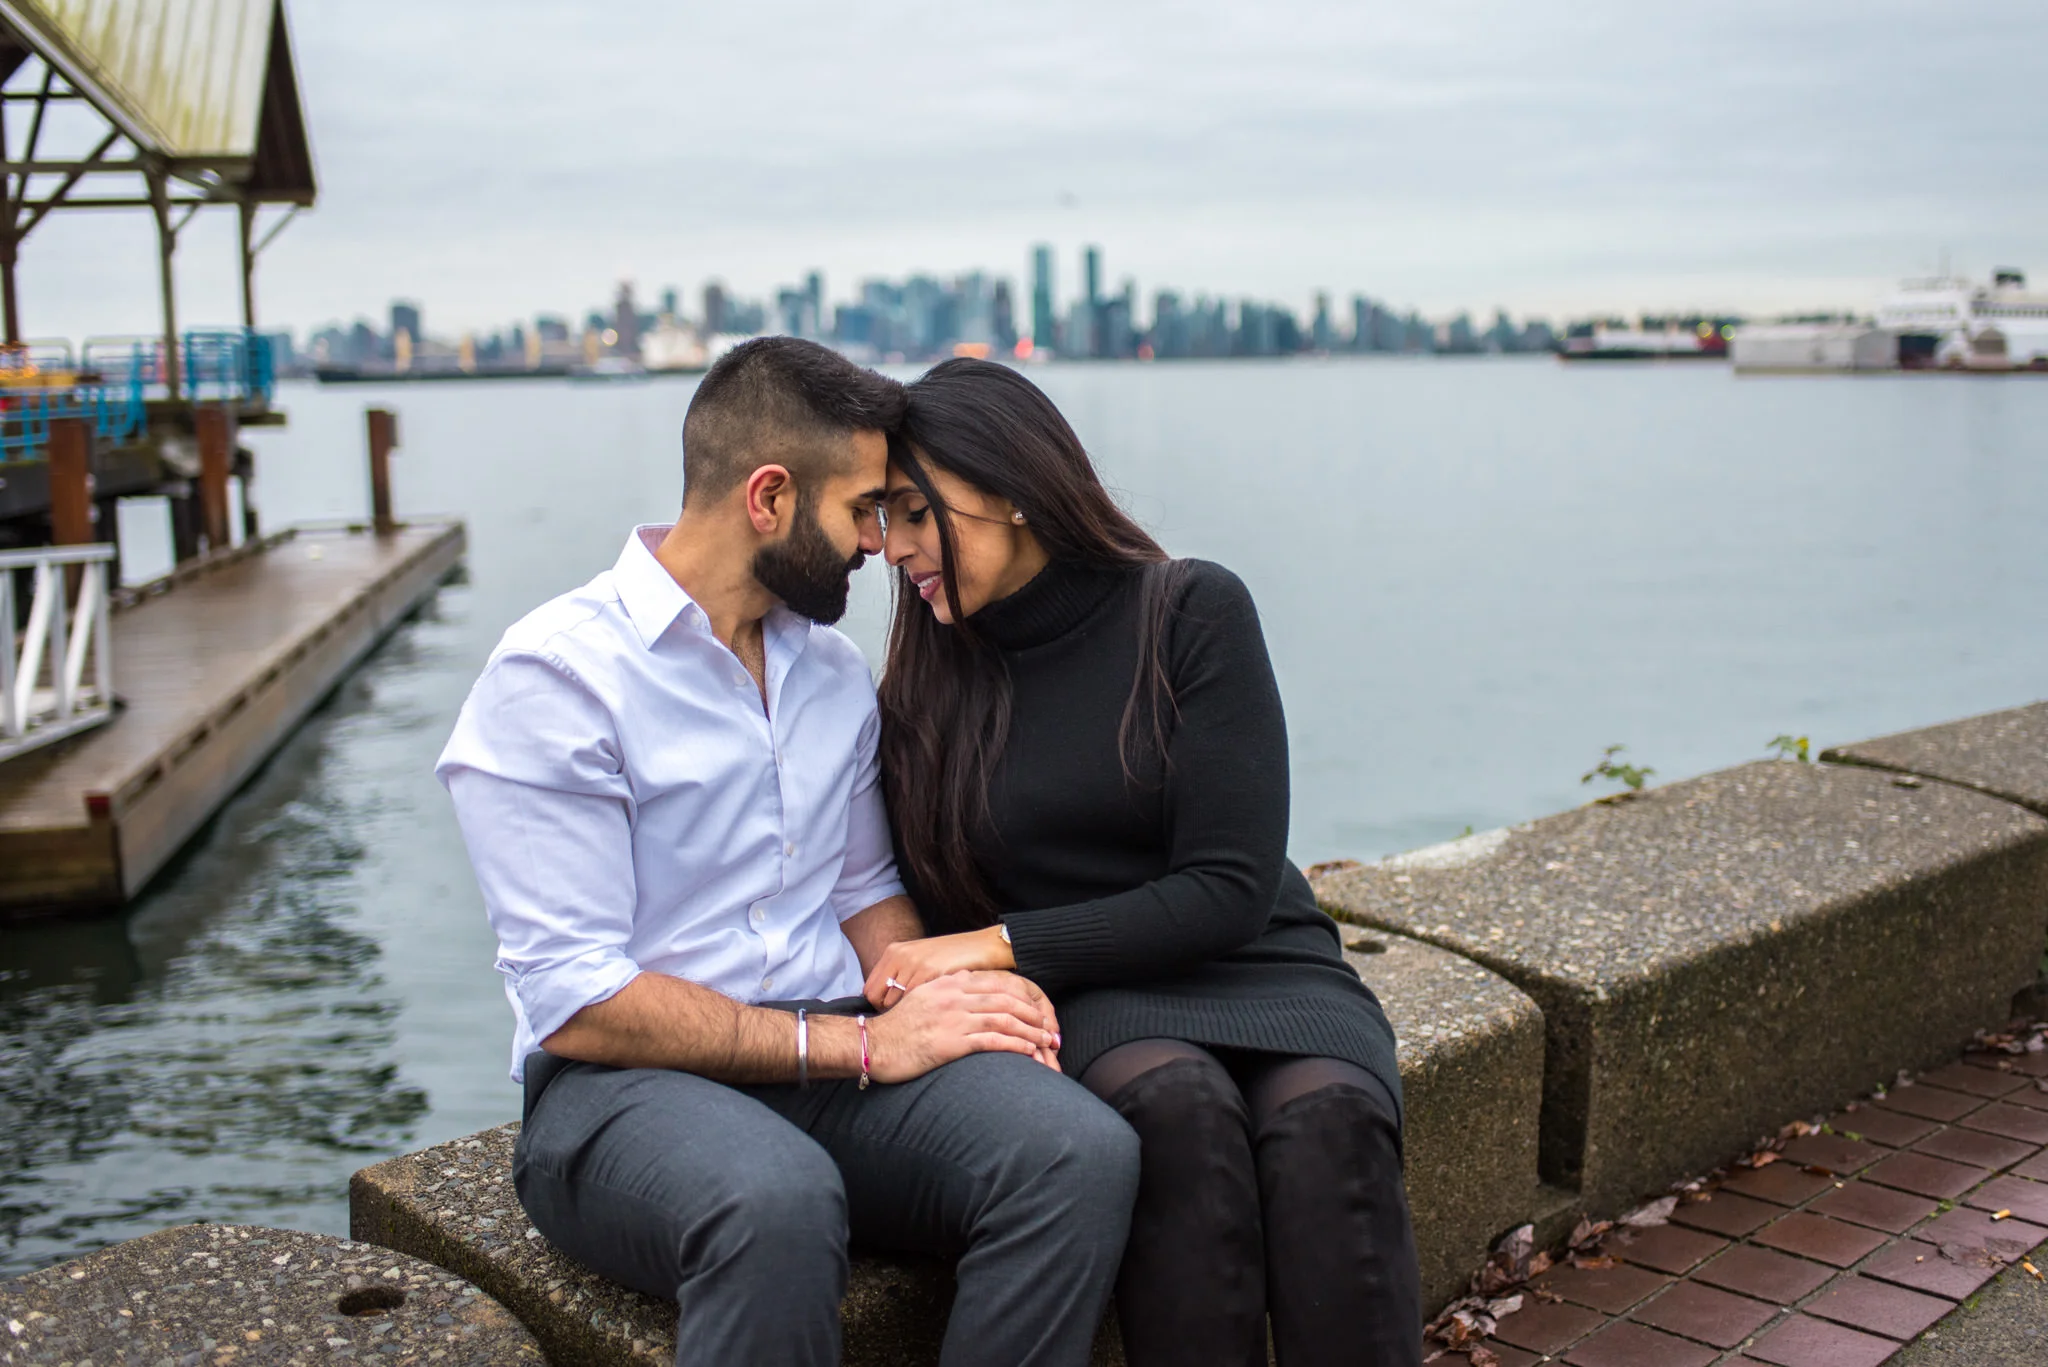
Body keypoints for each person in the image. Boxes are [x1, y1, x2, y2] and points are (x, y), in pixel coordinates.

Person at [435, 338, 1139, 1367]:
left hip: (832, 1046)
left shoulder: (829, 673)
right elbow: (578, 999)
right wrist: (855, 1048)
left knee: (1075, 1150)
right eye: (862, 508)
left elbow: (861, 889)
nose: (880, 542)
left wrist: (924, 997)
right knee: (774, 1199)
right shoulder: (557, 677)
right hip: (615, 1088)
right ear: (768, 497)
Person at [864, 358, 1423, 1367]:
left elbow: (1227, 888)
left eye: (911, 511)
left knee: (1329, 1123)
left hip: (1259, 959)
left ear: (1004, 487)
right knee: (1179, 1115)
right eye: (879, 517)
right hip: (1091, 989)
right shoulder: (921, 684)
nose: (890, 547)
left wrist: (988, 946)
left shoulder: (1188, 609)